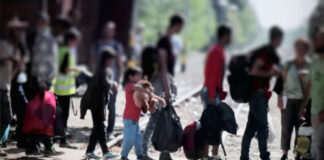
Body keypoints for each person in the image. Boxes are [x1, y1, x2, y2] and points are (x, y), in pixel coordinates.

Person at [141, 13, 185, 160]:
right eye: (181, 26)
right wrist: (167, 90)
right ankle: (144, 152)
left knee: (162, 118)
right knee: (155, 119)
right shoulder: (164, 42)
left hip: (164, 83)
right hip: (161, 85)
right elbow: (163, 68)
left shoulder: (168, 41)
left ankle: (162, 152)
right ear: (177, 25)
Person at [240, 26, 283, 160]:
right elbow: (254, 71)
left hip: (258, 94)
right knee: (262, 127)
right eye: (280, 39)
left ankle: (244, 156)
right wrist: (270, 73)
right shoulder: (265, 54)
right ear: (277, 39)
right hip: (258, 95)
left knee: (251, 127)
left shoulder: (267, 52)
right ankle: (264, 155)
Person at [25, 12, 59, 156]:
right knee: (43, 115)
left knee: (40, 114)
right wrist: (43, 82)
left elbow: (48, 61)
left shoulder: (43, 37)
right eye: (37, 21)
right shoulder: (42, 37)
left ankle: (37, 145)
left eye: (41, 21)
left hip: (43, 81)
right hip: (41, 83)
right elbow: (40, 63)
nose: (38, 23)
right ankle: (41, 146)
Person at [201, 24, 231, 160]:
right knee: (211, 123)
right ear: (225, 36)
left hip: (213, 91)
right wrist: (213, 95)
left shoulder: (219, 50)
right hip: (211, 93)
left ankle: (212, 154)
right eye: (230, 35)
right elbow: (211, 75)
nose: (231, 38)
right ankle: (207, 155)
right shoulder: (216, 51)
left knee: (215, 123)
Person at [120, 67, 165, 160]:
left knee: (138, 138)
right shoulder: (130, 86)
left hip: (135, 119)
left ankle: (139, 155)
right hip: (129, 118)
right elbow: (140, 88)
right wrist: (148, 91)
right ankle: (124, 156)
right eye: (137, 75)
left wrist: (159, 98)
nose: (139, 77)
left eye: (140, 75)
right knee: (129, 139)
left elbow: (149, 94)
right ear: (131, 76)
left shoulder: (140, 87)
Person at [82, 46, 118, 159]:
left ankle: (90, 151)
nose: (111, 61)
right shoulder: (101, 70)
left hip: (97, 103)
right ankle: (105, 152)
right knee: (100, 127)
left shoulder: (101, 69)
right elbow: (106, 84)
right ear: (105, 59)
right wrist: (113, 84)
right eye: (110, 59)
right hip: (96, 103)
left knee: (97, 128)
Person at [91, 21, 124, 140]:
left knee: (111, 107)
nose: (108, 32)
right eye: (106, 29)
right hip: (99, 81)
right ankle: (99, 130)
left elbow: (120, 65)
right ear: (103, 31)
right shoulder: (96, 44)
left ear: (114, 32)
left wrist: (119, 80)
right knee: (100, 107)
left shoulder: (117, 46)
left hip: (112, 81)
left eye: (110, 30)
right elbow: (92, 63)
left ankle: (109, 131)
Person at [277, 38, 310, 160]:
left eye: (302, 48)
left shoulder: (309, 65)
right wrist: (279, 98)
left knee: (303, 128)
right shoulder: (288, 64)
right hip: (288, 99)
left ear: (306, 50)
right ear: (295, 49)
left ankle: (300, 153)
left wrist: (304, 105)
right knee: (286, 126)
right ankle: (284, 153)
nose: (299, 50)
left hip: (304, 100)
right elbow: (281, 83)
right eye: (298, 47)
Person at [0, 17, 27, 157]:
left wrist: (18, 65)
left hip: (7, 86)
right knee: (8, 117)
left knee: (6, 117)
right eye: (17, 32)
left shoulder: (14, 48)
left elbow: (10, 74)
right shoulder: (4, 45)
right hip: (2, 88)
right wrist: (12, 60)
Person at [51, 30, 80, 149]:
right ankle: (59, 141)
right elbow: (64, 69)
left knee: (58, 115)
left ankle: (59, 140)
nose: (76, 44)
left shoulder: (60, 50)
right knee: (63, 116)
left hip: (58, 87)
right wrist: (77, 70)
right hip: (64, 90)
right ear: (69, 41)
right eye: (75, 41)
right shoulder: (66, 51)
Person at [299, 28, 324, 160]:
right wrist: (303, 106)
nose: (316, 43)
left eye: (319, 40)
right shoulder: (315, 62)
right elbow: (309, 86)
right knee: (317, 146)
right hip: (315, 112)